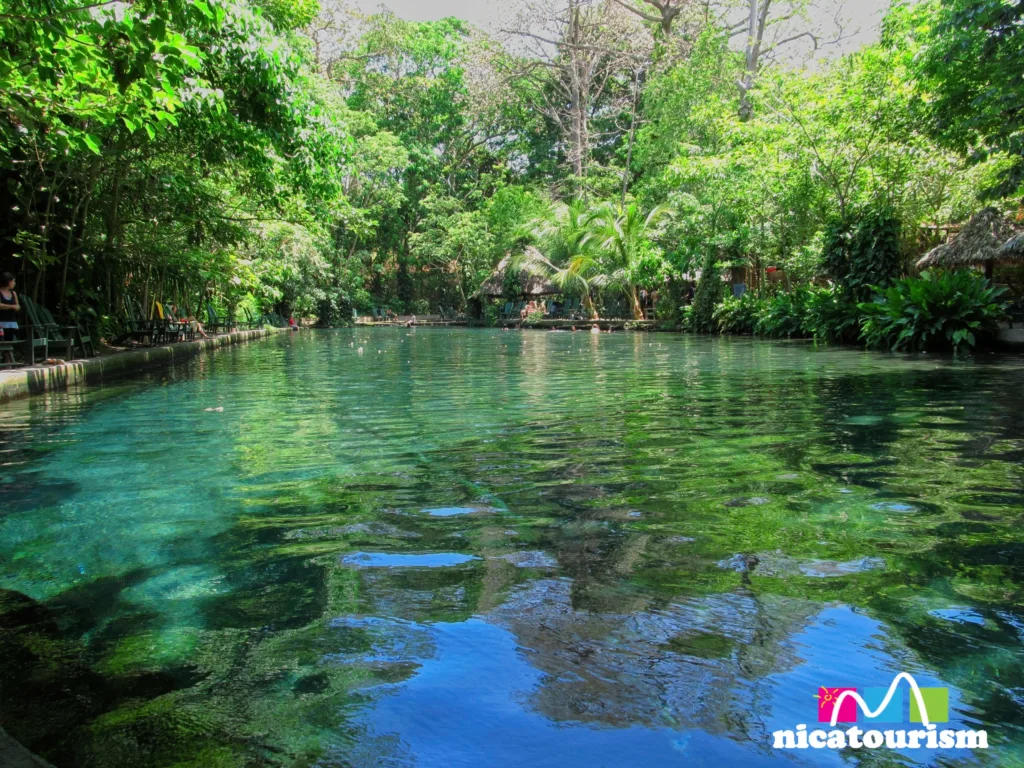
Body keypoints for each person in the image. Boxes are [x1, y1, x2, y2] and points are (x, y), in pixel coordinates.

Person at [0, 272, 19, 364]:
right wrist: (11, 307)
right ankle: (6, 360)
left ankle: (7, 361)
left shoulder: (13, 293)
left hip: (11, 322)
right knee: (2, 342)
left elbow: (18, 306)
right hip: (1, 322)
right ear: (8, 281)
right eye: (13, 281)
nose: (14, 283)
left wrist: (15, 307)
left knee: (9, 341)